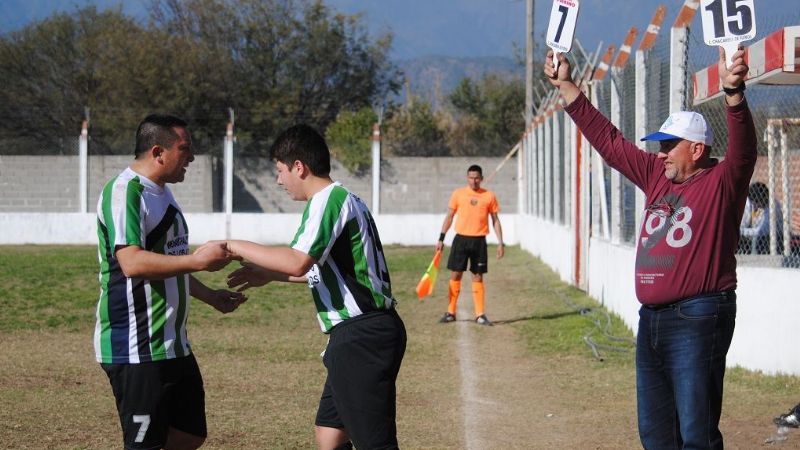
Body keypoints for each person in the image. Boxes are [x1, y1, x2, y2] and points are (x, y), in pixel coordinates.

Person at [545, 45, 755, 450]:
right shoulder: (657, 175)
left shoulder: (722, 181)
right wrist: (567, 85)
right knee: (656, 433)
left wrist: (734, 95)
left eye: (668, 145)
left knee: (696, 433)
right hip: (653, 319)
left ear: (697, 149)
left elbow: (745, 150)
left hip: (699, 314)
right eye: (659, 145)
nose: (660, 154)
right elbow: (609, 142)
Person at [220, 124, 406, 450]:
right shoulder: (343, 200)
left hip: (362, 335)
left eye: (279, 171)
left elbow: (297, 261)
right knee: (330, 435)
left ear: (299, 167)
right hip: (358, 334)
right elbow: (320, 272)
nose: (279, 180)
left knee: (374, 443)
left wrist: (231, 246)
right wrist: (269, 274)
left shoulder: (328, 201)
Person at [94, 114, 247, 450]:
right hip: (136, 347)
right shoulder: (124, 193)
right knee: (144, 445)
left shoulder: (161, 192)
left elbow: (169, 261)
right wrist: (198, 261)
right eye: (184, 149)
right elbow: (132, 262)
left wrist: (210, 296)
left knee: (190, 433)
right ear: (158, 152)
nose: (191, 157)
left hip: (173, 343)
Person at [435, 164, 504, 326]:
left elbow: (495, 220)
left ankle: (480, 314)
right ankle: (450, 312)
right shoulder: (458, 194)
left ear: (481, 178)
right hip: (461, 240)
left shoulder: (489, 196)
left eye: (477, 178)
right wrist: (441, 238)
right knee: (455, 274)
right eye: (471, 177)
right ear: (467, 178)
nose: (474, 181)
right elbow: (450, 216)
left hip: (479, 241)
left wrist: (501, 242)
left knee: (478, 276)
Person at [739, 181, 783, 254]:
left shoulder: (773, 206)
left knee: (759, 240)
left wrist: (742, 231)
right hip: (753, 235)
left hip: (771, 238)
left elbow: (762, 231)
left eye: (756, 202)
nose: (754, 205)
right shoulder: (750, 203)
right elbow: (743, 223)